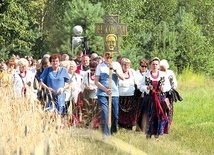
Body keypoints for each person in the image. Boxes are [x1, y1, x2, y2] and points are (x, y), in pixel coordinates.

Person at [139, 57, 171, 140]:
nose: (155, 66)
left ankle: (157, 135)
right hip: (150, 99)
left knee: (159, 116)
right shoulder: (146, 75)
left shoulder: (163, 75)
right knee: (150, 116)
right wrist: (147, 88)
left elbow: (168, 86)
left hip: (160, 99)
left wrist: (163, 88)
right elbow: (140, 86)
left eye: (156, 64)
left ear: (159, 65)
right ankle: (148, 134)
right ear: (150, 65)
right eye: (153, 64)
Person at [94, 52, 124, 139]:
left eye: (110, 55)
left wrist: (114, 70)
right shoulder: (100, 66)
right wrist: (105, 90)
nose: (108, 57)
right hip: (103, 93)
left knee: (114, 114)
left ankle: (113, 132)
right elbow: (96, 81)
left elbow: (122, 77)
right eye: (106, 55)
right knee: (104, 113)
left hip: (114, 93)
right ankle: (106, 135)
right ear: (103, 56)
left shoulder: (117, 65)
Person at [118, 58, 139, 130]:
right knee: (121, 114)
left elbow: (137, 83)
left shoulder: (132, 72)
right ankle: (120, 127)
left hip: (131, 97)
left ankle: (129, 128)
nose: (126, 66)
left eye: (127, 65)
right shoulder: (118, 72)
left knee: (130, 114)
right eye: (124, 64)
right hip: (121, 97)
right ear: (121, 65)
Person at [159, 59, 180, 131]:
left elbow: (175, 82)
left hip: (170, 94)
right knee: (162, 108)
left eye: (164, 68)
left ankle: (168, 125)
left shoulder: (170, 72)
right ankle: (161, 125)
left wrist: (173, 86)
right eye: (161, 68)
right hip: (161, 94)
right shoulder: (158, 73)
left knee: (169, 109)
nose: (163, 70)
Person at [81, 60, 100, 127]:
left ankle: (96, 124)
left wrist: (94, 88)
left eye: (94, 70)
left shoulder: (99, 74)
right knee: (88, 109)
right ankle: (87, 123)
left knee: (96, 110)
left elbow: (102, 84)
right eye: (91, 70)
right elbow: (82, 84)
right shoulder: (86, 74)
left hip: (96, 95)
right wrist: (86, 87)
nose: (93, 72)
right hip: (88, 95)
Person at [64, 60, 82, 125]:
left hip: (75, 95)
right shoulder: (65, 75)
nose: (72, 68)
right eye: (70, 66)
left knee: (75, 109)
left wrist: (76, 94)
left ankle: (74, 122)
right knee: (66, 109)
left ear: (76, 67)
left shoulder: (78, 76)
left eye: (73, 66)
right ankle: (65, 122)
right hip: (67, 95)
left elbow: (79, 86)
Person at [135, 59, 149, 132]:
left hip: (146, 95)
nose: (143, 68)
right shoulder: (136, 73)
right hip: (138, 95)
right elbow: (137, 83)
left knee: (145, 112)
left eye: (145, 66)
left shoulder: (149, 74)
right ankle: (137, 127)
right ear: (139, 66)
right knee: (138, 112)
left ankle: (145, 127)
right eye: (142, 66)